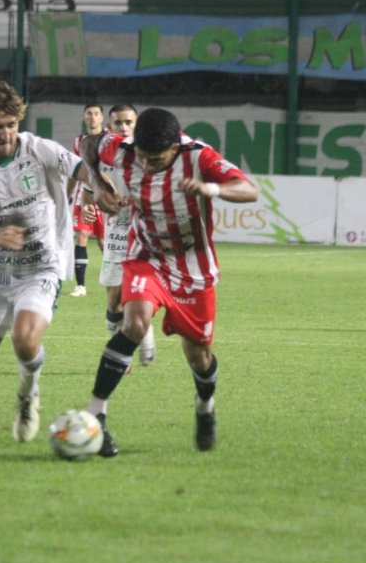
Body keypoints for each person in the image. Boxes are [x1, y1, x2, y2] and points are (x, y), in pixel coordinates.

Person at [81, 107, 259, 456]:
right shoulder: (123, 149)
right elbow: (89, 144)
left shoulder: (199, 156)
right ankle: (95, 415)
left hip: (192, 267)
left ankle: (205, 406)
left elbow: (248, 190)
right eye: (142, 158)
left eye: (156, 160)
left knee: (198, 357)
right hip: (146, 256)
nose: (146, 166)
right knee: (133, 323)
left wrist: (208, 188)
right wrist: (97, 183)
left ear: (175, 148)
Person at [0, 80, 87, 447]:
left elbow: (82, 169)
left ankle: (28, 394)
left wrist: (101, 188)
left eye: (11, 124)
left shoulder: (39, 149)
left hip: (41, 268)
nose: (6, 134)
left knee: (25, 340)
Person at [85, 104, 155, 365]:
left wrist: (136, 201)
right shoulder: (102, 157)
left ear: (137, 124)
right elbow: (88, 193)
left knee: (141, 294)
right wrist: (88, 209)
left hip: (145, 235)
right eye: (118, 123)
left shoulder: (149, 155)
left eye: (129, 122)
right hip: (116, 236)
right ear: (110, 126)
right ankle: (120, 344)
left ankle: (137, 343)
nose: (124, 127)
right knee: (114, 302)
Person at [68, 103, 106, 297]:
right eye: (89, 113)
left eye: (96, 113)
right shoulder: (78, 141)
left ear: (102, 117)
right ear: (84, 117)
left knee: (104, 241)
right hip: (84, 195)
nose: (92, 117)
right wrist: (67, 194)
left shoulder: (109, 140)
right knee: (81, 235)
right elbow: (74, 171)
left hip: (105, 195)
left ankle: (116, 280)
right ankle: (81, 286)